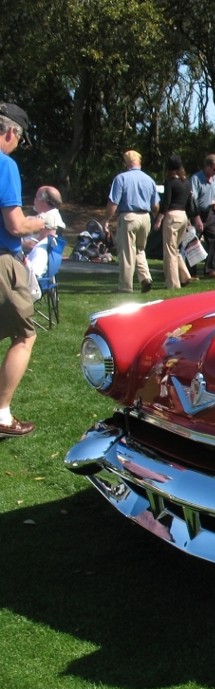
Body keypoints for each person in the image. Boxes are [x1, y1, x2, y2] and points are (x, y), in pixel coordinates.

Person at [0, 102, 47, 437]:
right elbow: (14, 225)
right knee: (24, 335)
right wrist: (38, 223)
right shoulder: (6, 165)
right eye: (19, 138)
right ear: (10, 132)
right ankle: (2, 415)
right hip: (3, 260)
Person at [104, 150, 160, 293]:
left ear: (126, 162)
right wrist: (155, 217)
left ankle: (125, 286)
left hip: (129, 216)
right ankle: (145, 277)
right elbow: (155, 205)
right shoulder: (150, 180)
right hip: (145, 217)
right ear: (139, 162)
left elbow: (113, 202)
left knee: (126, 252)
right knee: (140, 249)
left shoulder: (121, 178)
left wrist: (106, 219)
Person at [154, 155, 195, 289]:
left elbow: (166, 202)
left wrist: (158, 220)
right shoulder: (186, 182)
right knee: (175, 249)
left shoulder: (170, 182)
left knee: (169, 251)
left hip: (172, 216)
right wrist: (189, 219)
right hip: (183, 215)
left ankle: (173, 283)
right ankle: (184, 275)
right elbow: (189, 203)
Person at [190, 153, 215, 279]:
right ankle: (191, 272)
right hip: (197, 213)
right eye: (214, 169)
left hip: (210, 213)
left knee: (214, 239)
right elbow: (192, 200)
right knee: (193, 243)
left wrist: (214, 203)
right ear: (207, 167)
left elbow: (212, 195)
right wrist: (196, 217)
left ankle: (210, 269)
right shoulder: (196, 179)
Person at [23, 185, 65, 278]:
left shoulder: (50, 218)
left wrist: (18, 242)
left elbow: (39, 243)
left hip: (30, 259)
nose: (34, 200)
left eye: (36, 197)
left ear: (44, 201)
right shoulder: (51, 215)